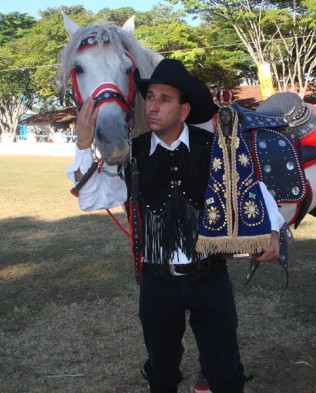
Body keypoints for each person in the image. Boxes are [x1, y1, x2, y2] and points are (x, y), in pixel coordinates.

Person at [66, 58, 284, 393]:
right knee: (162, 372)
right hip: (157, 283)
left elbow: (250, 186)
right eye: (149, 97)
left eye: (163, 100)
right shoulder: (130, 153)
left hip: (210, 279)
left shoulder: (214, 146)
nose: (151, 106)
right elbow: (90, 198)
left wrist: (272, 230)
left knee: (224, 370)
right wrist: (84, 146)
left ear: (184, 110)